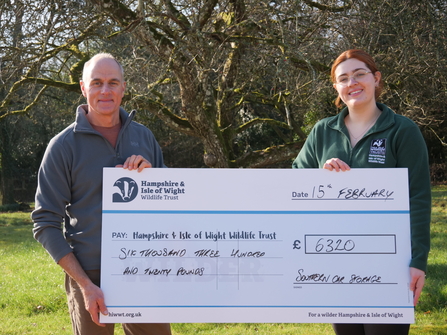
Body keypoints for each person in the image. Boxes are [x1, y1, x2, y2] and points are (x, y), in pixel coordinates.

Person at [292, 49, 431, 335]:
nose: (352, 82)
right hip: (334, 262)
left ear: (376, 78)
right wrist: (320, 176)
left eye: (359, 74)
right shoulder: (322, 132)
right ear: (336, 88)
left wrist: (418, 261)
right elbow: (295, 184)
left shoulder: (402, 131)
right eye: (343, 78)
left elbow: (417, 198)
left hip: (389, 261)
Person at [32, 53, 172, 335]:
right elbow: (45, 223)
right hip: (89, 275)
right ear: (83, 88)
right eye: (97, 83)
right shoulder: (62, 146)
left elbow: (171, 204)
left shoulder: (144, 137)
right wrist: (84, 284)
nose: (105, 91)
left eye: (113, 82)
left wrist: (153, 178)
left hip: (143, 268)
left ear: (123, 88)